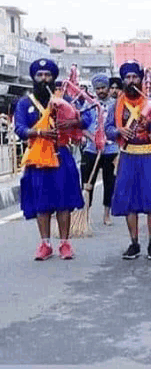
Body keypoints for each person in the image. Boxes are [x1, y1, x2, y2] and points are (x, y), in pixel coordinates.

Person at [14, 58, 87, 260]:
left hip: (61, 153)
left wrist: (73, 120)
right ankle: (45, 244)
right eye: (40, 75)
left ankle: (65, 243)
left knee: (64, 201)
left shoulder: (64, 99)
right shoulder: (24, 103)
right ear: (34, 78)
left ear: (54, 78)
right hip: (38, 157)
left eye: (48, 75)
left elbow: (85, 120)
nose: (44, 79)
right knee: (42, 202)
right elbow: (19, 129)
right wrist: (39, 132)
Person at [106, 60, 151, 260]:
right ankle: (134, 243)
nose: (131, 80)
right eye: (127, 77)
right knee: (128, 201)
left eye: (135, 77)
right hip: (128, 156)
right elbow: (108, 129)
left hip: (150, 154)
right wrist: (119, 130)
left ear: (141, 79)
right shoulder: (116, 104)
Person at [81, 74, 118, 226]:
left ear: (108, 88)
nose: (101, 91)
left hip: (111, 150)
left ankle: (106, 215)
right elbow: (82, 126)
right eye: (98, 89)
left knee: (110, 183)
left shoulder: (116, 105)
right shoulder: (89, 105)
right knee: (87, 183)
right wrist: (93, 139)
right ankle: (85, 213)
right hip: (91, 150)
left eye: (103, 88)